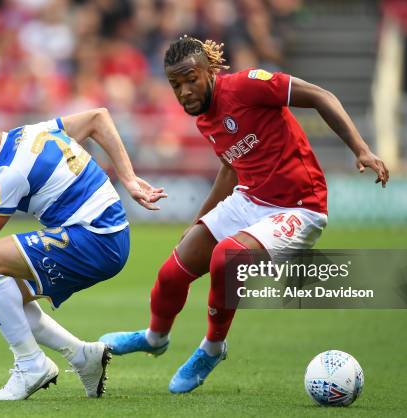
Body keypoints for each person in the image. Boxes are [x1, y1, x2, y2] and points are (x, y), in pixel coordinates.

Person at [100, 36, 389, 394]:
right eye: (176, 85)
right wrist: (197, 223)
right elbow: (230, 168)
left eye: (191, 79)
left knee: (227, 257)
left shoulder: (249, 85)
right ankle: (154, 338)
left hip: (299, 206)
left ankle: (212, 347)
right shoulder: (204, 118)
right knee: (172, 272)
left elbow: (320, 96)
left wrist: (361, 150)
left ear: (210, 71)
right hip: (249, 200)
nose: (185, 91)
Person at [0, 110, 166, 400]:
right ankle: (83, 355)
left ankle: (31, 365)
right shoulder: (32, 132)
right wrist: (128, 179)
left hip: (94, 238)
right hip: (108, 236)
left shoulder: (9, 173)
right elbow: (98, 117)